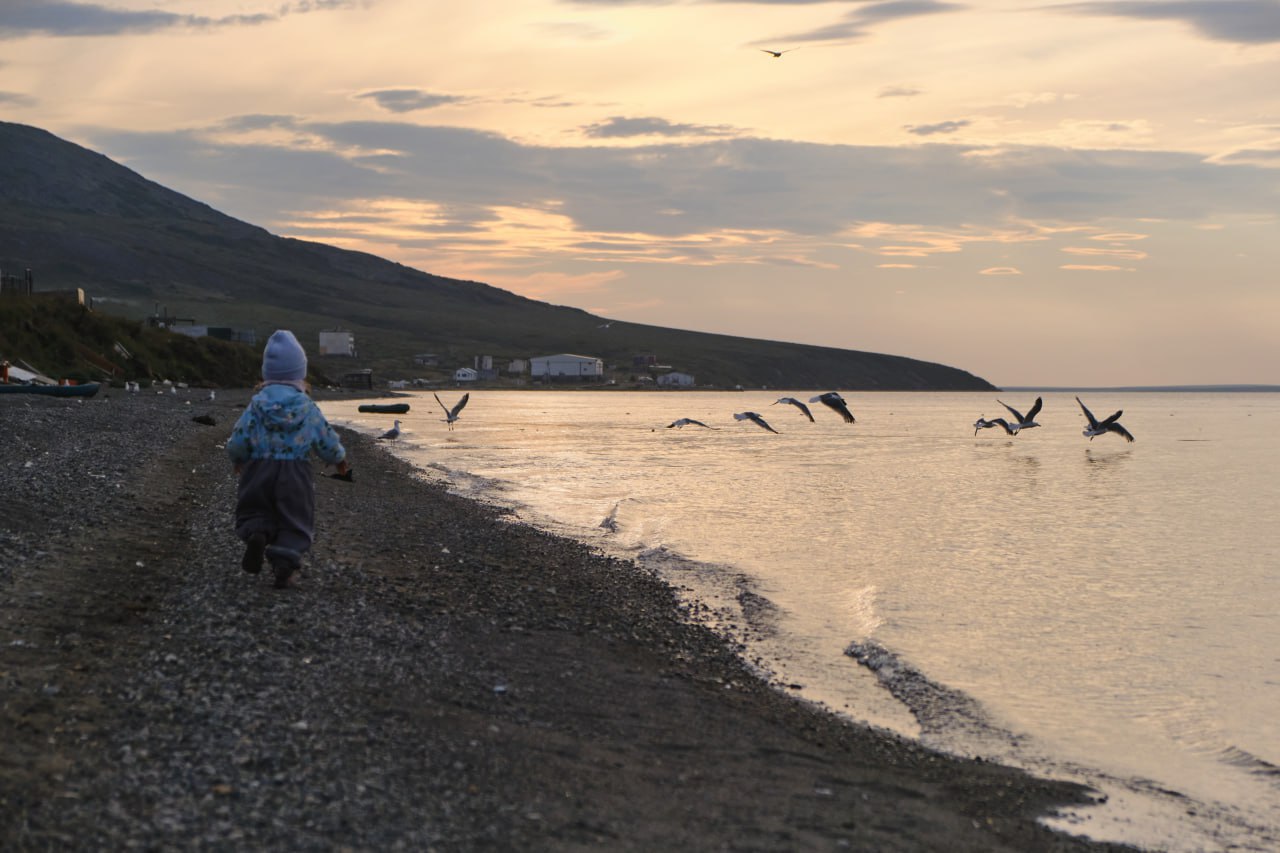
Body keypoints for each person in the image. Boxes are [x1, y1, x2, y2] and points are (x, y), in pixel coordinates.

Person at [227, 330, 349, 589]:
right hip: (295, 471)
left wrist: (238, 457)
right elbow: (323, 436)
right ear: (300, 373)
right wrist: (337, 457)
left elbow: (240, 435)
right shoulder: (306, 406)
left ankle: (257, 532)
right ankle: (284, 565)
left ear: (267, 373)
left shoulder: (257, 404)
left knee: (255, 508)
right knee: (295, 518)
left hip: (258, 468)